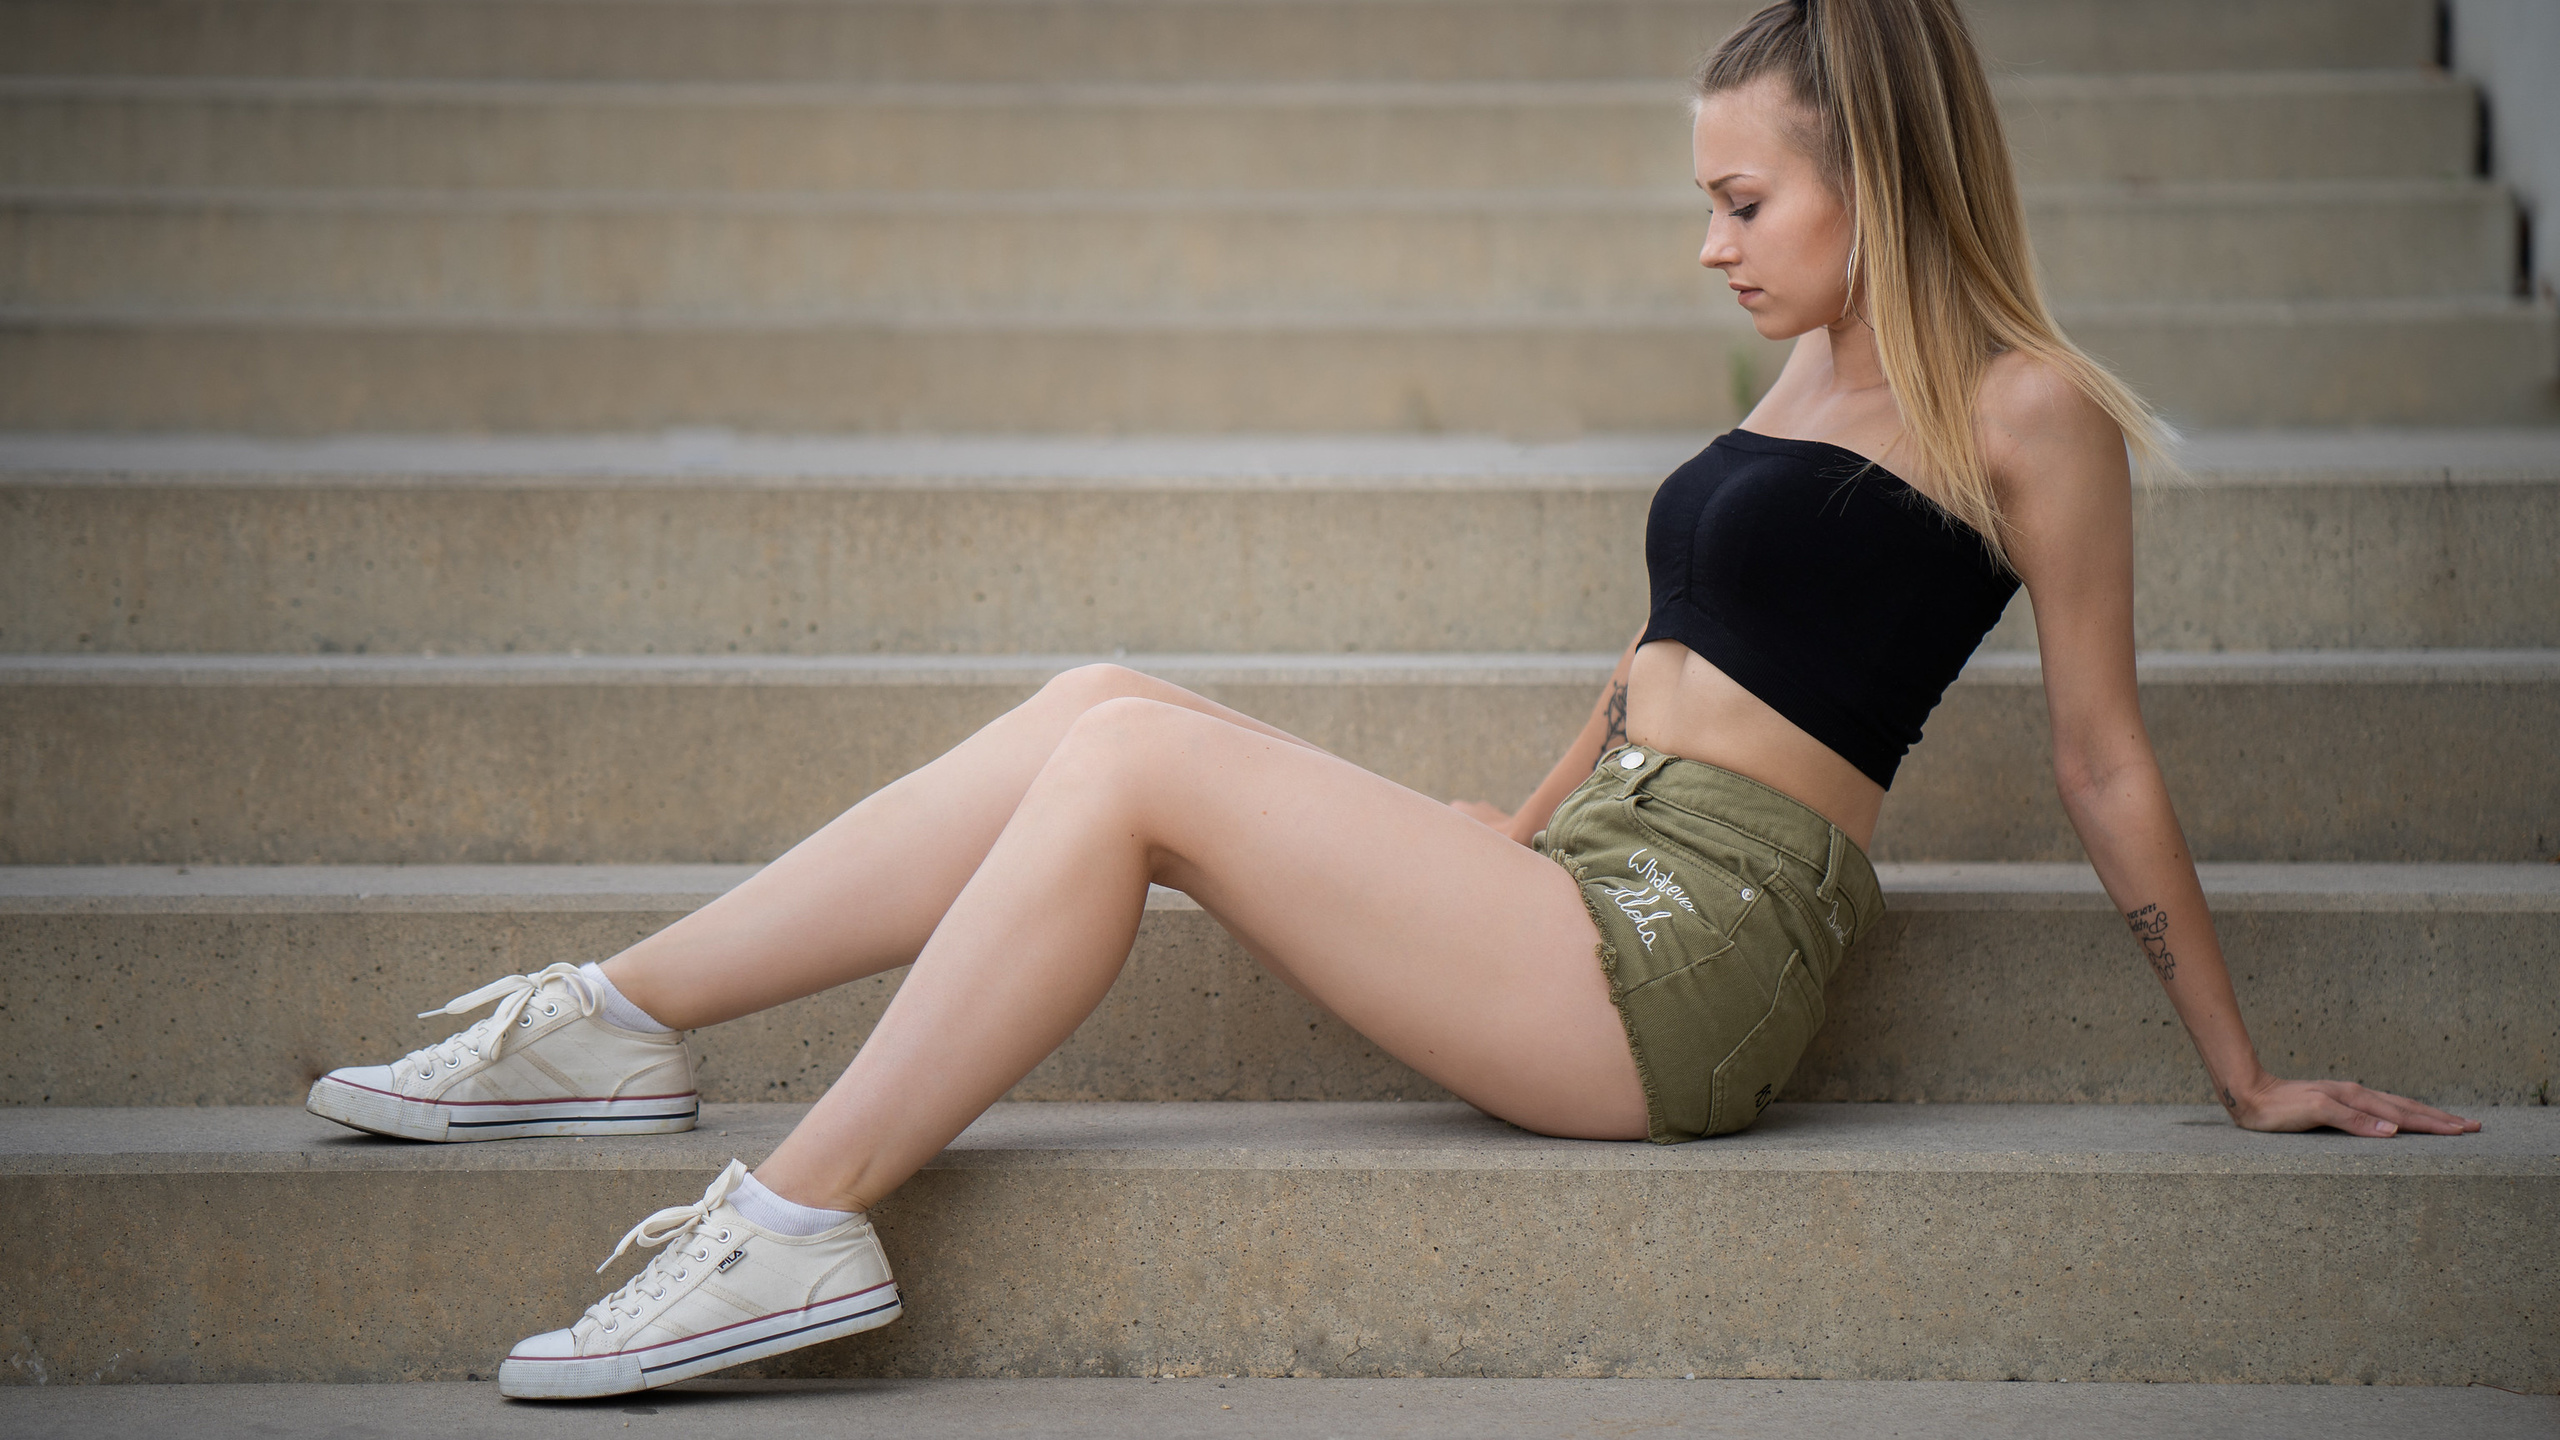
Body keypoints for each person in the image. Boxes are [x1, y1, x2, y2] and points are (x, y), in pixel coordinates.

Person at [302, 0, 2479, 1400]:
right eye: (1702, 201)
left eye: (1740, 198)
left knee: (1134, 762)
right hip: (1592, 880)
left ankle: (792, 1228)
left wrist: (2240, 1071)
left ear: (1873, 179)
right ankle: (613, 1023)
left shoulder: (2024, 414)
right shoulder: (1797, 373)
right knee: (1101, 693)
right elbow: (1658, 661)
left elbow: (2098, 752)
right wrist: (1511, 831)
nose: (1706, 245)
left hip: (1701, 967)